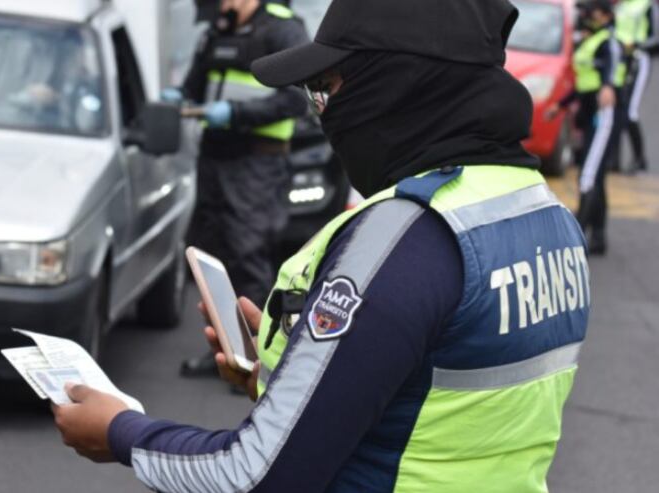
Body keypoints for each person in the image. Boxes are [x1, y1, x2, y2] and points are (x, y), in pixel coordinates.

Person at [51, 0, 591, 491]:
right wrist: (290, 373)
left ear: (397, 86)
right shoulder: (546, 216)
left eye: (327, 89)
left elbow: (253, 474)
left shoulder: (407, 236)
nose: (321, 111)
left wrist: (120, 432)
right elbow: (445, 416)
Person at [170, 0, 309, 377]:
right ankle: (225, 353)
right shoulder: (217, 31)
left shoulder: (282, 29)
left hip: (257, 161)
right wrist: (179, 98)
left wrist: (237, 113)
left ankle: (257, 361)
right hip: (215, 157)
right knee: (213, 257)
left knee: (247, 255)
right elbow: (195, 86)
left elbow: (296, 99)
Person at [548, 0, 625, 255]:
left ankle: (577, 237)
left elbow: (611, 65)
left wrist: (608, 85)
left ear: (604, 15)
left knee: (588, 176)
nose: (587, 15)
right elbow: (582, 82)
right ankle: (598, 237)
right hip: (590, 114)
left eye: (592, 12)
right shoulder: (589, 40)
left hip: (604, 115)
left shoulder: (608, 41)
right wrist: (560, 106)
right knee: (595, 176)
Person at [615, 0, 658, 172]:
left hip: (639, 60)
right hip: (619, 59)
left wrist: (636, 46)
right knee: (616, 110)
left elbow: (656, 39)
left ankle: (640, 160)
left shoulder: (648, 6)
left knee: (630, 112)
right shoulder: (621, 5)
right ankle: (613, 161)